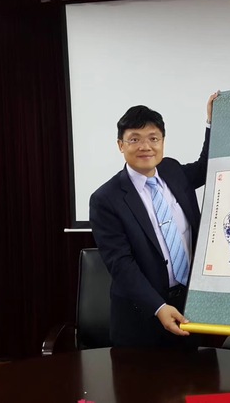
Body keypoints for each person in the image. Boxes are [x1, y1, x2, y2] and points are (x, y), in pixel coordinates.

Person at [89, 93, 216, 348]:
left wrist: (213, 122)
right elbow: (121, 264)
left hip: (191, 307)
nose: (145, 146)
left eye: (153, 138)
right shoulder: (106, 199)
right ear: (120, 145)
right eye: (134, 139)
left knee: (196, 372)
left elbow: (206, 166)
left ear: (162, 142)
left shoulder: (172, 170)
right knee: (142, 376)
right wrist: (158, 307)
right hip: (142, 317)